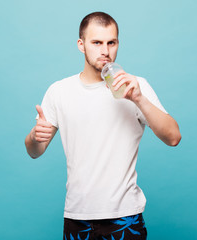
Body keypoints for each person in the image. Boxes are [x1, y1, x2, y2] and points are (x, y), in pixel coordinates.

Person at [25, 11, 181, 240]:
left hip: (125, 216)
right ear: (81, 44)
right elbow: (34, 152)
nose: (105, 51)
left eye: (111, 42)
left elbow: (173, 137)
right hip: (77, 217)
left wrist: (139, 99)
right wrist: (34, 136)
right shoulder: (59, 91)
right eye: (96, 42)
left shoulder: (135, 86)